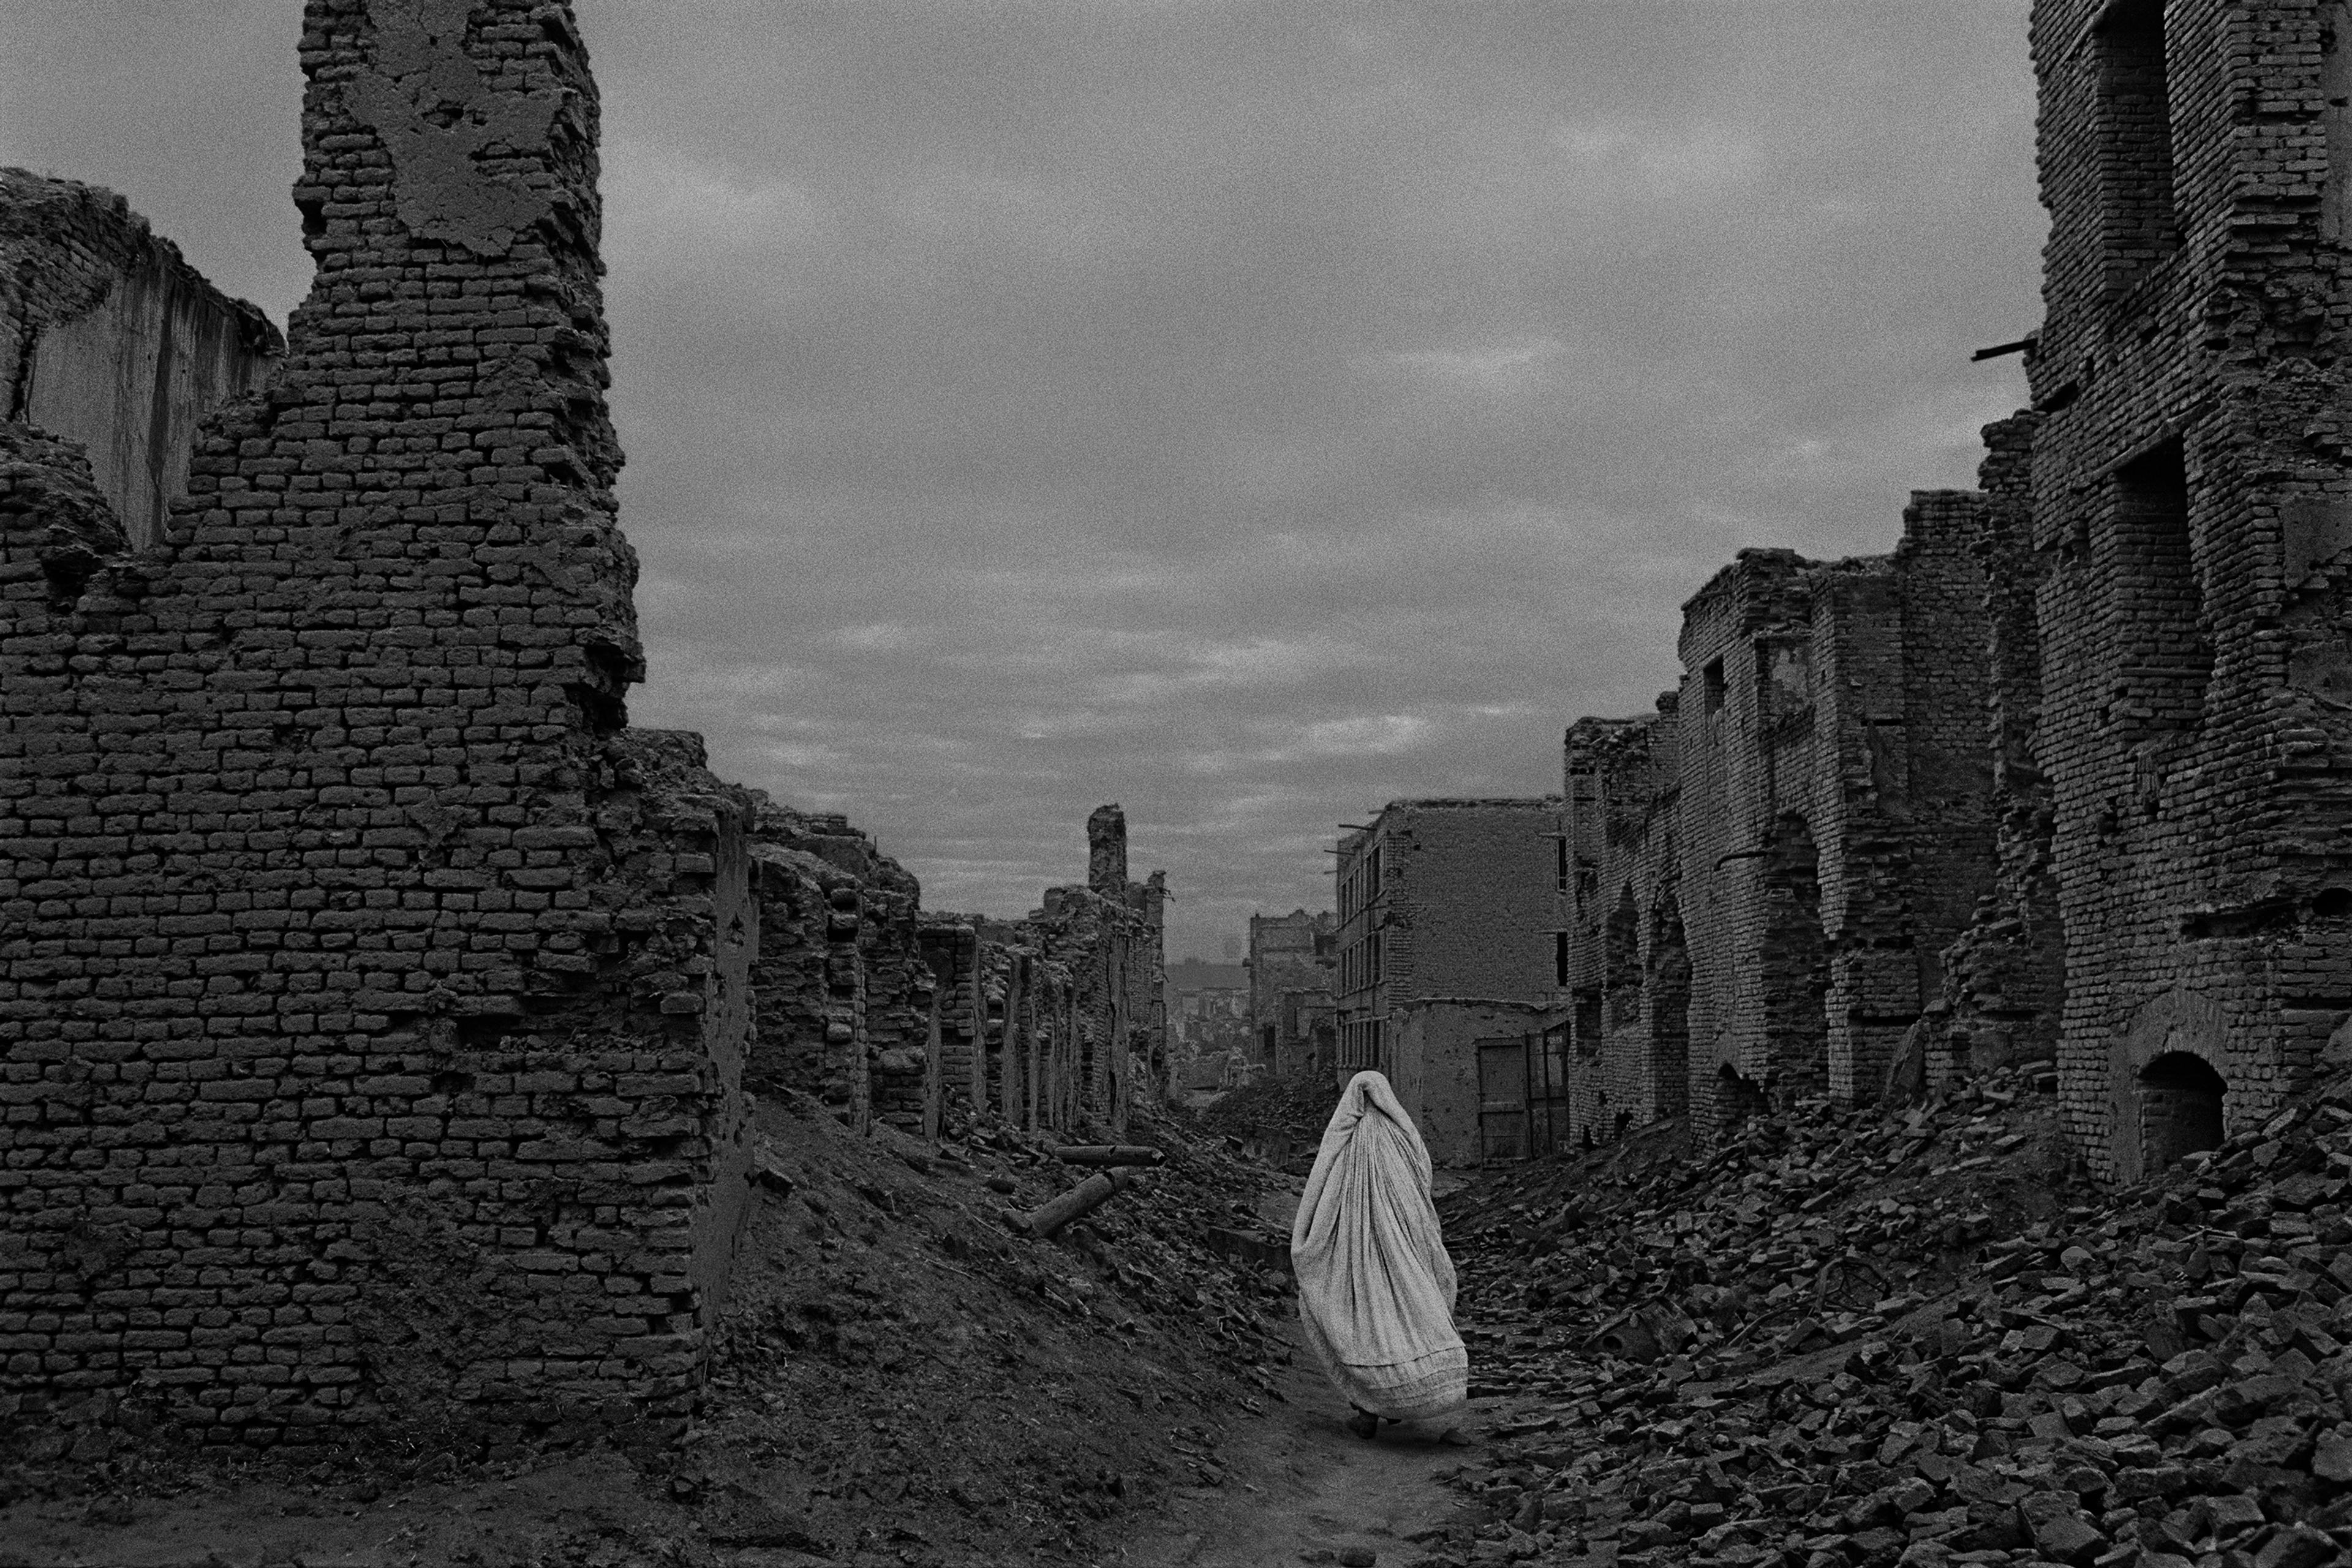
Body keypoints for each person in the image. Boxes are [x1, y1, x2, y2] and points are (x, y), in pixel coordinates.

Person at [1289, 1069, 1468, 1439]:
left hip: (1358, 1254)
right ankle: (1397, 1401)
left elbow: (1321, 1190)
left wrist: (1319, 1240)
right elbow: (1423, 1179)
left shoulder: (1344, 1141)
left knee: (1363, 1322)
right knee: (1411, 1313)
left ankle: (1369, 1412)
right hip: (1406, 1250)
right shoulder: (1402, 1137)